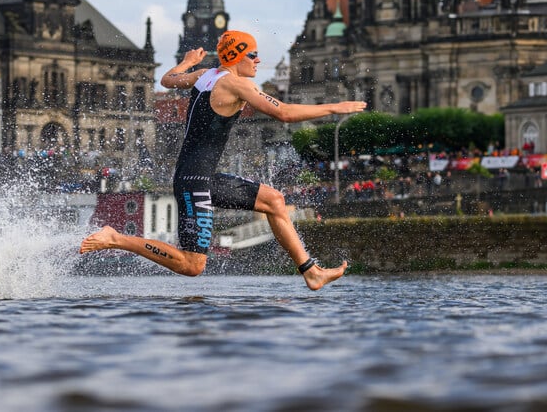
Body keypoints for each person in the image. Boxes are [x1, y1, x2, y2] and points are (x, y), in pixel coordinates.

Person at [80, 30, 367, 290]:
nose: (258, 60)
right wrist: (334, 107)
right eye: (252, 55)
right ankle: (116, 239)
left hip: (201, 177)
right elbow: (285, 113)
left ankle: (311, 272)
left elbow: (168, 80)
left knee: (274, 201)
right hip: (195, 182)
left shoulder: (204, 75)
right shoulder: (236, 85)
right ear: (237, 56)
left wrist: (187, 62)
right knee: (193, 265)